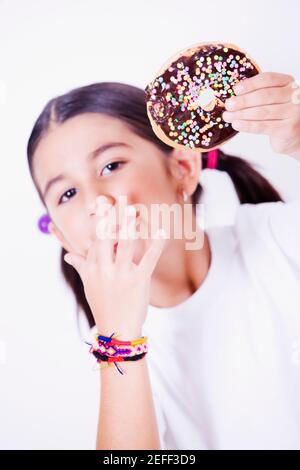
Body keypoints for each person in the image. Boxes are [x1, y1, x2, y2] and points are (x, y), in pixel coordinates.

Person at [27, 73, 300, 450]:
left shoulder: (276, 241)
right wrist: (119, 335)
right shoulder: (96, 363)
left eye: (111, 166)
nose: (95, 204)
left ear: (183, 168)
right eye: (68, 193)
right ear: (61, 235)